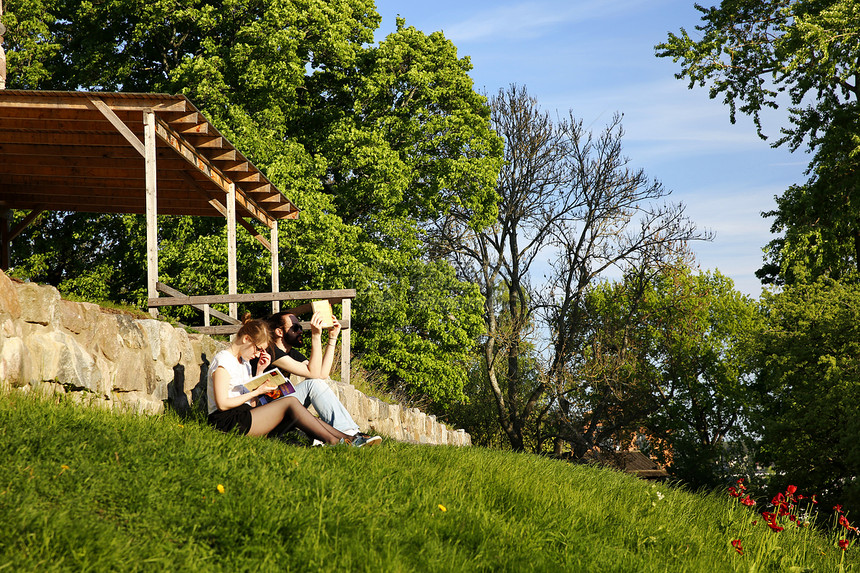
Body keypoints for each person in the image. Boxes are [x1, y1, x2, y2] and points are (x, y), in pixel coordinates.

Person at [206, 317, 360, 446]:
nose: (258, 354)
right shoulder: (223, 361)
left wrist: (259, 372)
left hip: (244, 416)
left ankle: (349, 438)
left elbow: (251, 404)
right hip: (226, 421)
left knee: (295, 405)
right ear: (246, 339)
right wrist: (258, 392)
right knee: (291, 402)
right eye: (258, 349)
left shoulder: (244, 362)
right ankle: (335, 441)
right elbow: (223, 404)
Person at [254, 309, 381, 447]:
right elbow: (313, 375)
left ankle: (349, 434)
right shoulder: (270, 351)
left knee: (315, 382)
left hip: (281, 411)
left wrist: (332, 338)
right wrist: (316, 335)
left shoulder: (292, 354)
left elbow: (322, 374)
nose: (301, 331)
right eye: (295, 328)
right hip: (263, 416)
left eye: (301, 327)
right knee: (312, 384)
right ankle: (349, 434)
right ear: (279, 332)